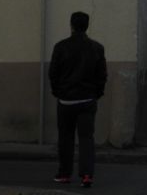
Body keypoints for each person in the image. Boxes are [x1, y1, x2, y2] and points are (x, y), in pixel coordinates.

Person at [48, 11, 107, 188]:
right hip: (87, 100)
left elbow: (53, 74)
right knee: (86, 138)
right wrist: (96, 94)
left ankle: (64, 173)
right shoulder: (97, 48)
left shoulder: (60, 47)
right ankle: (87, 175)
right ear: (87, 26)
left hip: (66, 100)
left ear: (71, 25)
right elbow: (102, 75)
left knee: (65, 138)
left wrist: (58, 92)